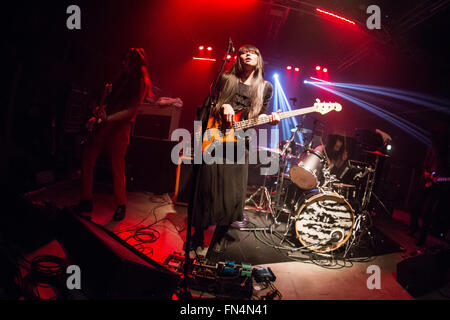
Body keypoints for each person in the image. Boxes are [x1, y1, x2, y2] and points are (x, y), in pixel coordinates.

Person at [187, 45, 280, 253]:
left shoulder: (265, 87)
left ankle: (218, 239)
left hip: (240, 142)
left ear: (259, 58)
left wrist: (271, 120)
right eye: (243, 52)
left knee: (232, 195)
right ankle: (197, 235)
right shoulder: (226, 78)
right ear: (237, 58)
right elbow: (210, 103)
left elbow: (258, 116)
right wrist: (223, 105)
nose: (248, 54)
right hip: (214, 137)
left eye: (253, 52)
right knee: (205, 189)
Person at [74, 48, 152, 221]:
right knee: (87, 157)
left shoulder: (139, 82)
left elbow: (131, 111)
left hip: (120, 127)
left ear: (133, 63)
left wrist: (108, 118)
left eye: (126, 60)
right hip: (106, 125)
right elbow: (110, 105)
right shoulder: (121, 80)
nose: (123, 63)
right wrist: (97, 114)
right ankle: (86, 200)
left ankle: (121, 205)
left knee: (117, 165)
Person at [409, 126, 450, 246]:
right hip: (426, 182)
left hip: (438, 186)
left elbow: (446, 172)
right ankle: (414, 229)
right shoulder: (432, 149)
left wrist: (439, 178)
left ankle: (421, 239)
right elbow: (425, 164)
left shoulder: (446, 153)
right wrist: (427, 175)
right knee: (416, 206)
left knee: (428, 213)